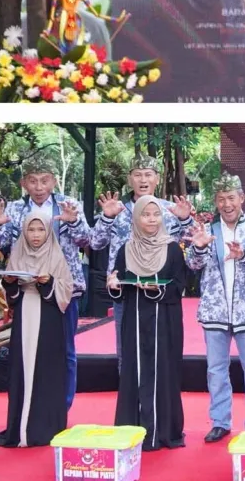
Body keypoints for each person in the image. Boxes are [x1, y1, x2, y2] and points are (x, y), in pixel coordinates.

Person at [0, 154, 91, 410]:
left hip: (63, 289)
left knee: (65, 350)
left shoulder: (68, 205)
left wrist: (73, 222)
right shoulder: (14, 209)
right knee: (27, 347)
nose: (39, 187)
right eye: (33, 181)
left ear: (54, 182)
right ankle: (30, 405)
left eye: (44, 181)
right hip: (26, 289)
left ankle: (61, 406)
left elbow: (87, 240)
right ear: (24, 183)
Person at [91, 154, 193, 371]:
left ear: (157, 179)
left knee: (162, 352)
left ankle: (158, 401)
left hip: (162, 291)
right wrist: (107, 217)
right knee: (127, 353)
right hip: (126, 292)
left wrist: (185, 219)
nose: (143, 180)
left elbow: (194, 243)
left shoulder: (170, 210)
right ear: (130, 179)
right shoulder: (117, 209)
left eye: (148, 174)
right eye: (137, 175)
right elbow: (95, 243)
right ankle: (131, 401)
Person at [187, 173, 245, 443]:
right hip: (215, 311)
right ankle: (220, 421)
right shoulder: (207, 230)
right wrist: (197, 249)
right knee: (216, 369)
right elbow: (193, 266)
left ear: (242, 198)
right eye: (221, 199)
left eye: (231, 198)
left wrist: (244, 255)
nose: (227, 204)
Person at [107, 196, 187, 452]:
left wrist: (156, 290)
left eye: (156, 214)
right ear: (136, 218)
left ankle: (163, 431)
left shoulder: (172, 249)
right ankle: (135, 429)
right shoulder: (126, 249)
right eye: (146, 214)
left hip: (164, 321)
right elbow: (119, 286)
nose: (151, 219)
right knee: (134, 370)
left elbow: (179, 286)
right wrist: (113, 286)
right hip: (134, 320)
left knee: (163, 370)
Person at [0, 215, 73, 448]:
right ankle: (20, 428)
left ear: (48, 232)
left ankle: (45, 427)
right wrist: (10, 282)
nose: (36, 235)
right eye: (31, 230)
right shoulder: (18, 252)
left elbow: (66, 290)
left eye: (40, 230)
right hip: (25, 314)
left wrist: (48, 282)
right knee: (22, 368)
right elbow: (12, 297)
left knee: (46, 369)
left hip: (49, 319)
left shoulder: (56, 255)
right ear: (24, 232)